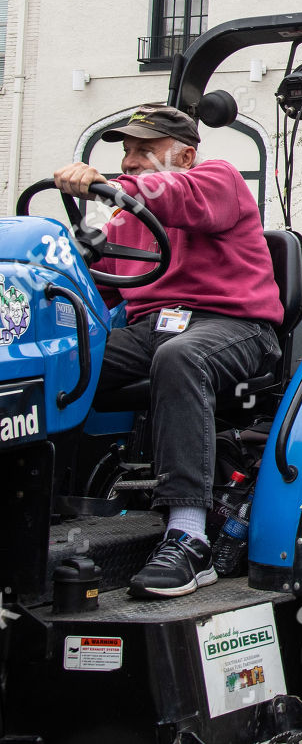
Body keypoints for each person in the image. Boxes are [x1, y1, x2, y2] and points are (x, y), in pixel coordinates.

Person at [52, 105, 282, 598]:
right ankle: (44, 506)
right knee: (62, 361)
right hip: (148, 329)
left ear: (185, 153)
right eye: (125, 152)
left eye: (144, 151)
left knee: (180, 356)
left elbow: (177, 197)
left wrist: (113, 188)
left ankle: (188, 536)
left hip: (234, 326)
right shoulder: (124, 218)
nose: (130, 162)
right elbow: (95, 293)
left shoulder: (216, 180)